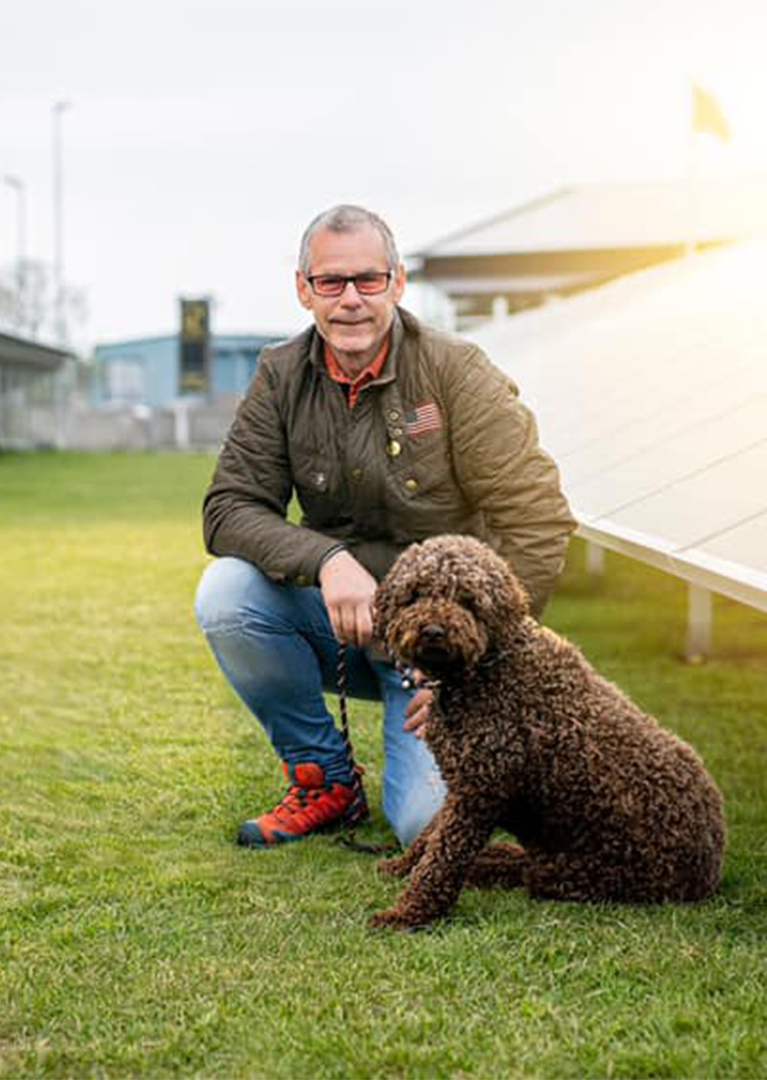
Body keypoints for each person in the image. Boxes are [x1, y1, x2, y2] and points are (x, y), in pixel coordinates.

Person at [194, 204, 575, 849]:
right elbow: (229, 506)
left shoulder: (456, 371)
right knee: (227, 593)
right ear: (303, 289)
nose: (350, 300)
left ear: (398, 284)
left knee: (425, 827)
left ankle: (510, 767)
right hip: (348, 623)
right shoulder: (281, 375)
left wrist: (475, 659)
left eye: (368, 281)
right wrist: (328, 561)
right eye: (330, 282)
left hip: (442, 650)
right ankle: (325, 782)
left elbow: (537, 517)